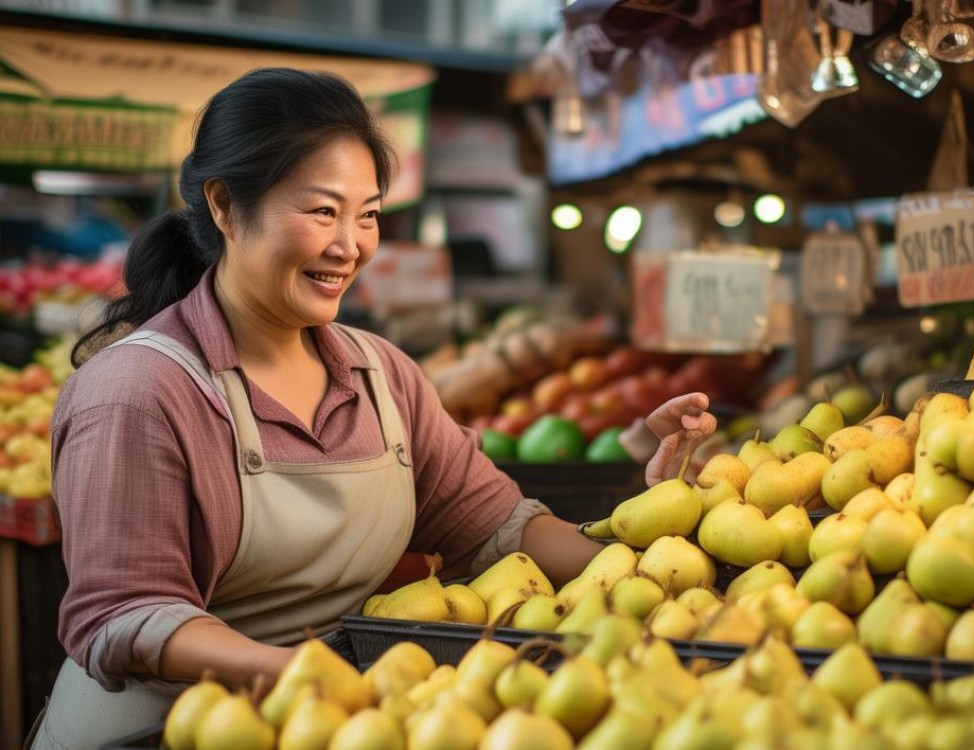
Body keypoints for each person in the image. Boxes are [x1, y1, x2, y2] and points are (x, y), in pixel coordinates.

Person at [30, 67, 714, 750]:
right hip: (163, 729)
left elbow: (500, 530)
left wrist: (646, 528)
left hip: (328, 721)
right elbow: (122, 615)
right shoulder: (138, 392)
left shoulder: (381, 374)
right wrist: (298, 671)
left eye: (369, 215)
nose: (349, 245)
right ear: (225, 206)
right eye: (323, 211)